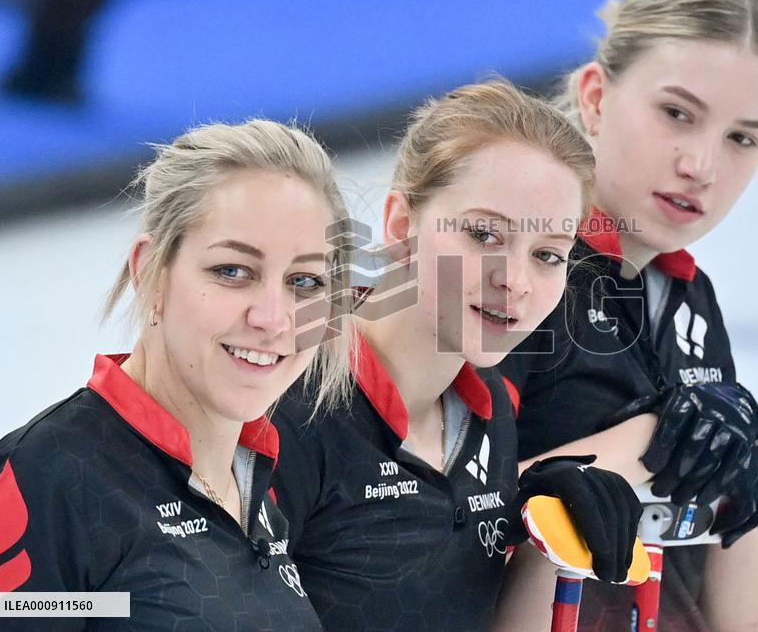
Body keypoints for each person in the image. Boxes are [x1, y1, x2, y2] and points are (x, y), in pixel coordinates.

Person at [271, 80, 644, 631]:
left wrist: (547, 539)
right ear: (401, 225)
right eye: (483, 234)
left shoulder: (489, 411)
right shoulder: (288, 405)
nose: (514, 281)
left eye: (547, 255)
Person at [495, 0, 758, 632]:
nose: (702, 165)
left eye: (742, 138)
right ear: (597, 98)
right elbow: (420, 518)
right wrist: (649, 440)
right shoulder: (502, 269)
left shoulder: (689, 297)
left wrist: (744, 479)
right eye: (677, 114)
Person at [0, 119, 352, 629]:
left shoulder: (263, 485)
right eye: (232, 271)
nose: (273, 318)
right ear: (151, 271)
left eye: (304, 282)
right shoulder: (53, 476)